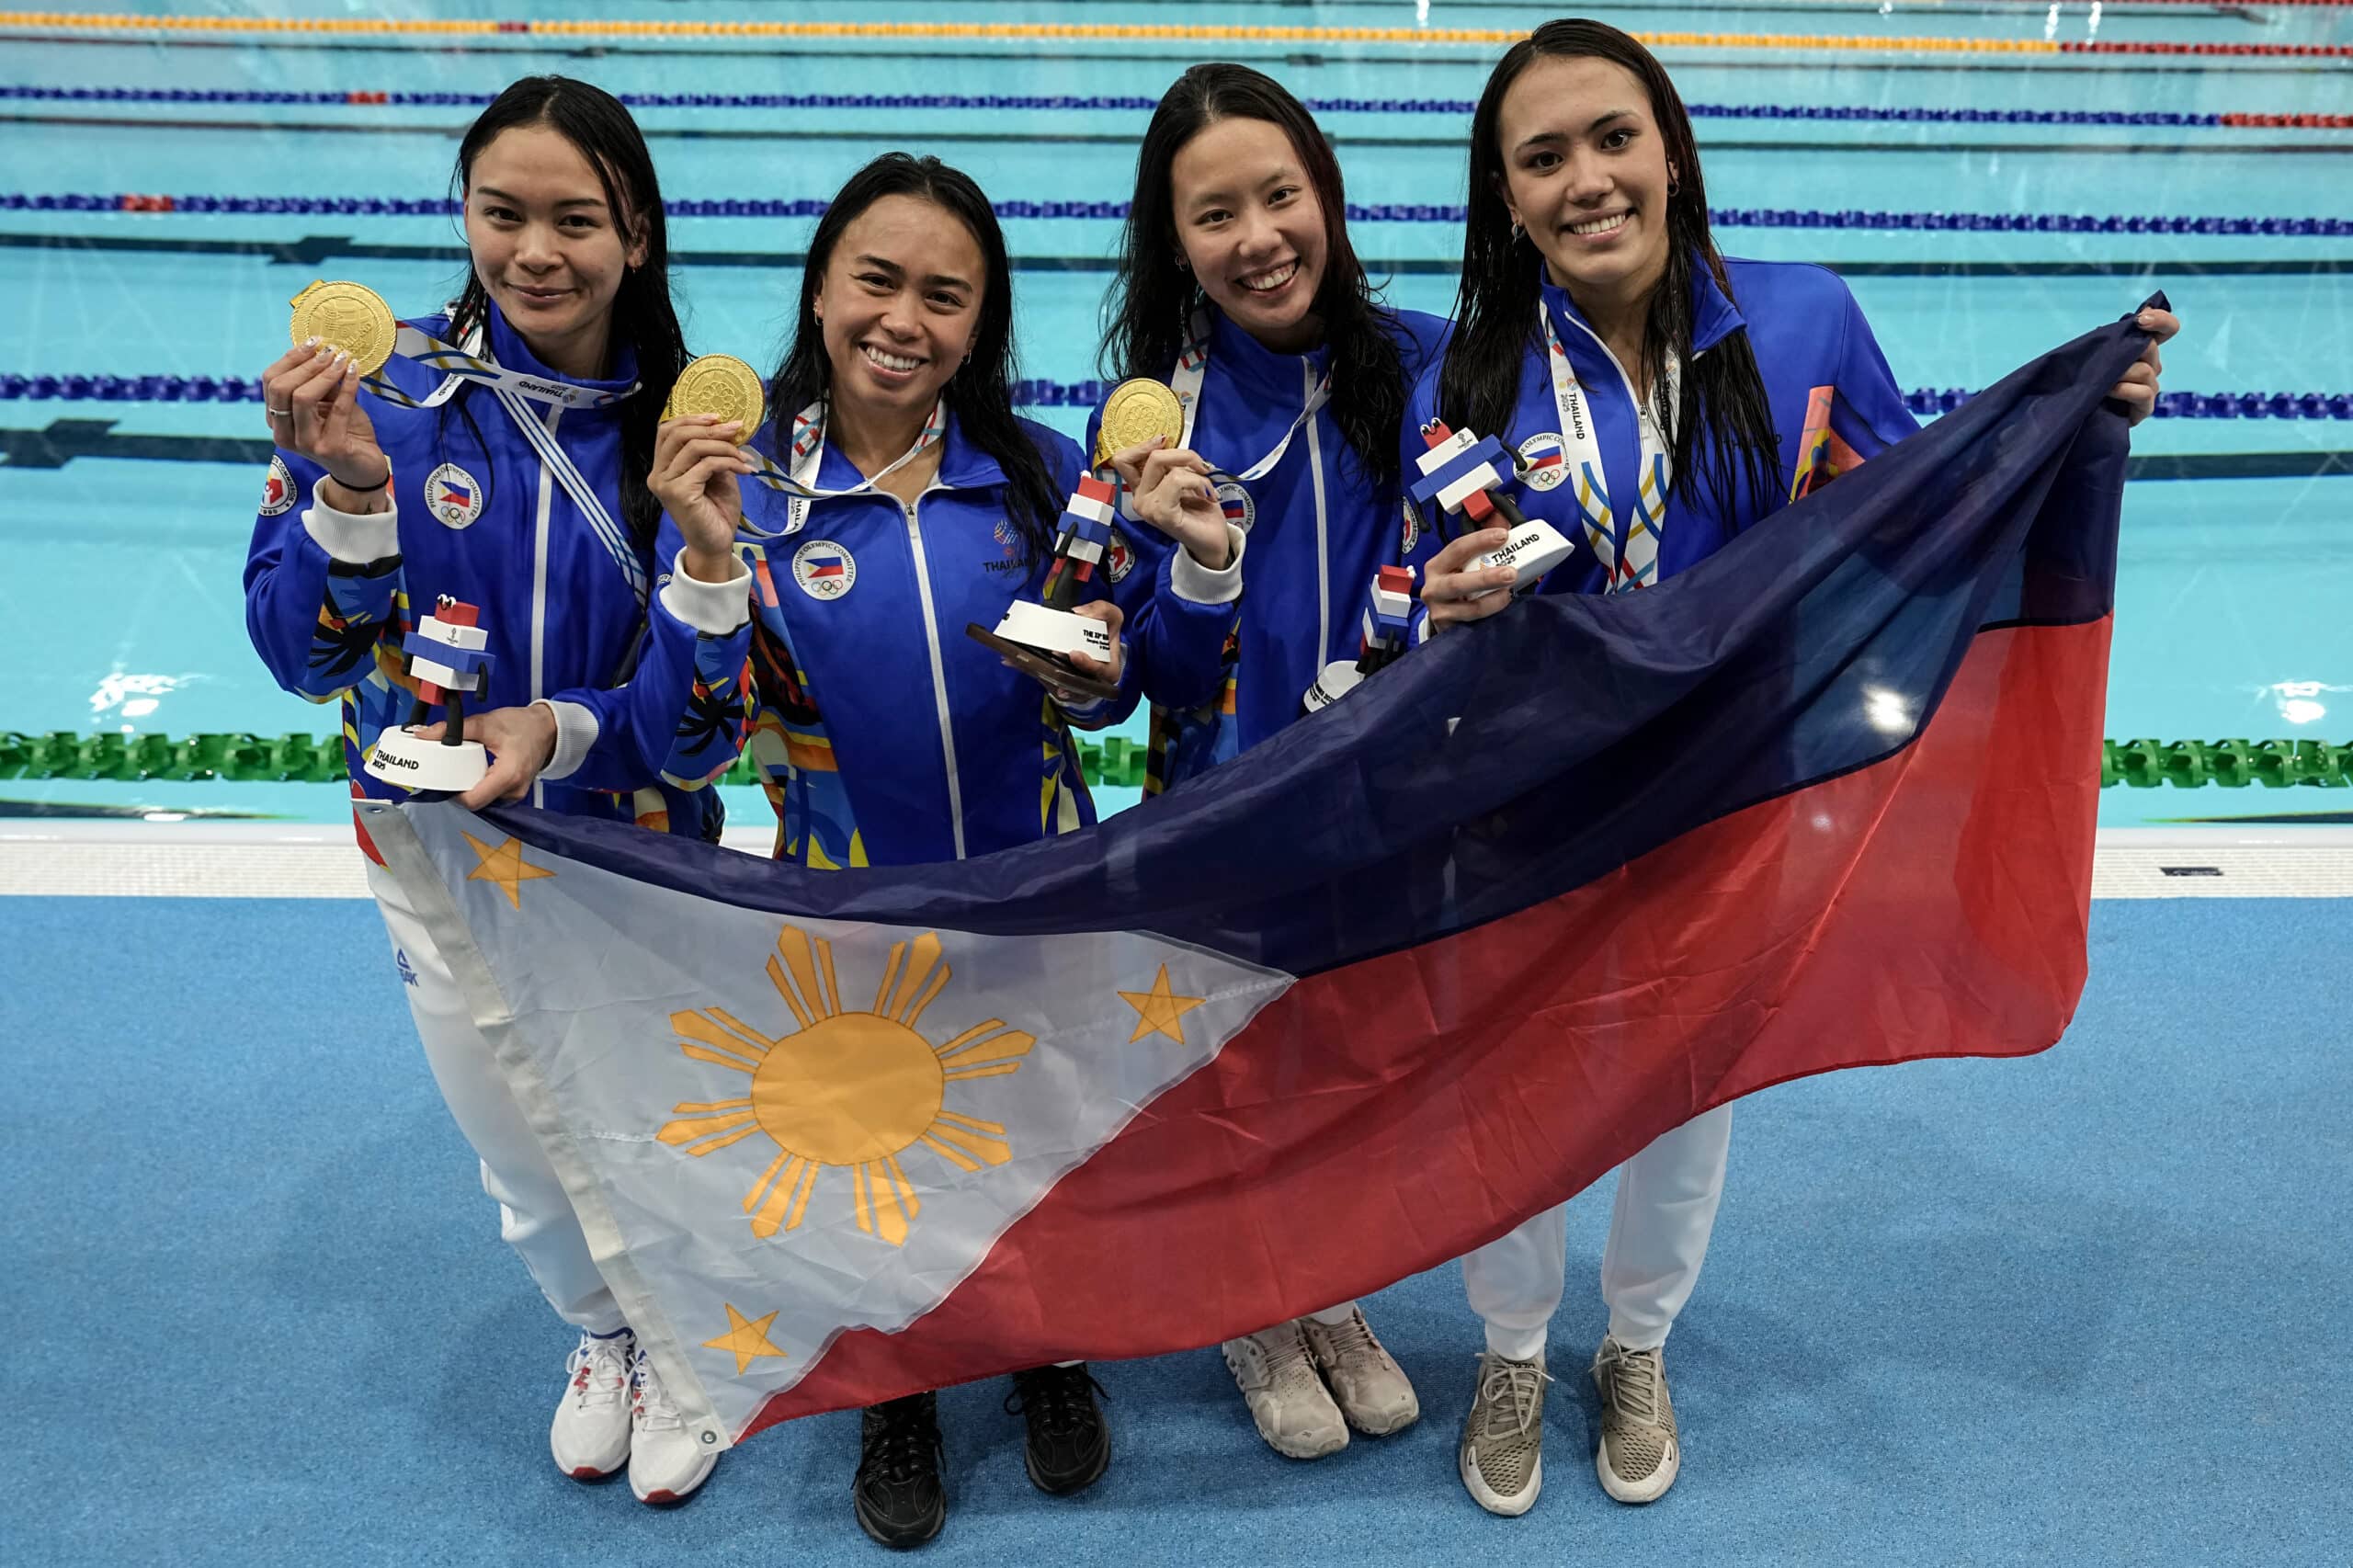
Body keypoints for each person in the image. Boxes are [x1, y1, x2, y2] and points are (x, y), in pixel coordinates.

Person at [1402, 17, 2177, 1519]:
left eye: (1613, 139)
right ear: (1505, 197)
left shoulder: (1806, 322)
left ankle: (1634, 1344)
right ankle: (1510, 1348)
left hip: (1724, 802)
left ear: (1670, 149)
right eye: (1543, 157)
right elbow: (1390, 588)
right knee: (1506, 1087)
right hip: (1520, 801)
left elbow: (1920, 514)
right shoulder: (1466, 366)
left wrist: (2075, 436)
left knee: (1691, 1091)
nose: (1588, 180)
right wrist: (1425, 600)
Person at [499, 152, 1238, 1549]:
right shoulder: (747, 488)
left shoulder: (1035, 479)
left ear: (981, 321)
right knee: (882, 1154)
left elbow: (1139, 675)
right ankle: (895, 1387)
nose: (905, 320)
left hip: (1041, 887)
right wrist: (705, 565)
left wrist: (1190, 568)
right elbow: (692, 740)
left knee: (1043, 1132)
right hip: (845, 910)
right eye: (877, 281)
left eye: (945, 297)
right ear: (823, 288)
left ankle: (1046, 1348)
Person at [241, 75, 728, 1506]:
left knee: (653, 1115)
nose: (534, 251)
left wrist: (562, 728)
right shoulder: (381, 401)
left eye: (575, 218)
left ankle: (690, 1347)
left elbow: (698, 730)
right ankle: (604, 1335)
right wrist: (348, 497)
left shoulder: (682, 434)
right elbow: (292, 655)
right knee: (515, 1139)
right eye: (500, 213)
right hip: (435, 850)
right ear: (463, 218)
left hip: (631, 849)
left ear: (635, 232)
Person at [1092, 60, 1445, 1466]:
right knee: (1227, 1062)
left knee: (1353, 1059)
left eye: (1279, 195)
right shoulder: (1153, 425)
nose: (1259, 237)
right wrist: (1200, 563)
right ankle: (1253, 1302)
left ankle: (1331, 1282)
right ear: (1174, 240)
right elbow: (1153, 688)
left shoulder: (1426, 362)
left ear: (1328, 195)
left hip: (1381, 802)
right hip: (1215, 807)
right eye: (1215, 212)